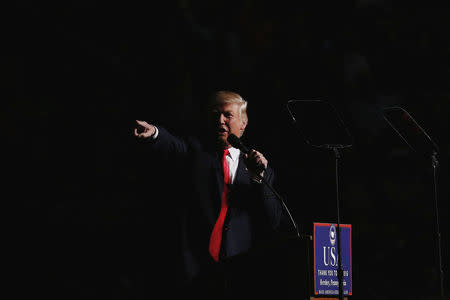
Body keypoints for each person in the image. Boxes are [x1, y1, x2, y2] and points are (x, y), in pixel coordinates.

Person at [133, 90, 290, 298]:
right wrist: (154, 133)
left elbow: (272, 220)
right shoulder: (197, 152)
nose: (220, 120)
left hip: (240, 272)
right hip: (197, 270)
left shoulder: (260, 168)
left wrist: (258, 178)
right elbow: (174, 145)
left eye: (228, 115)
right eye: (216, 115)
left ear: (243, 123)